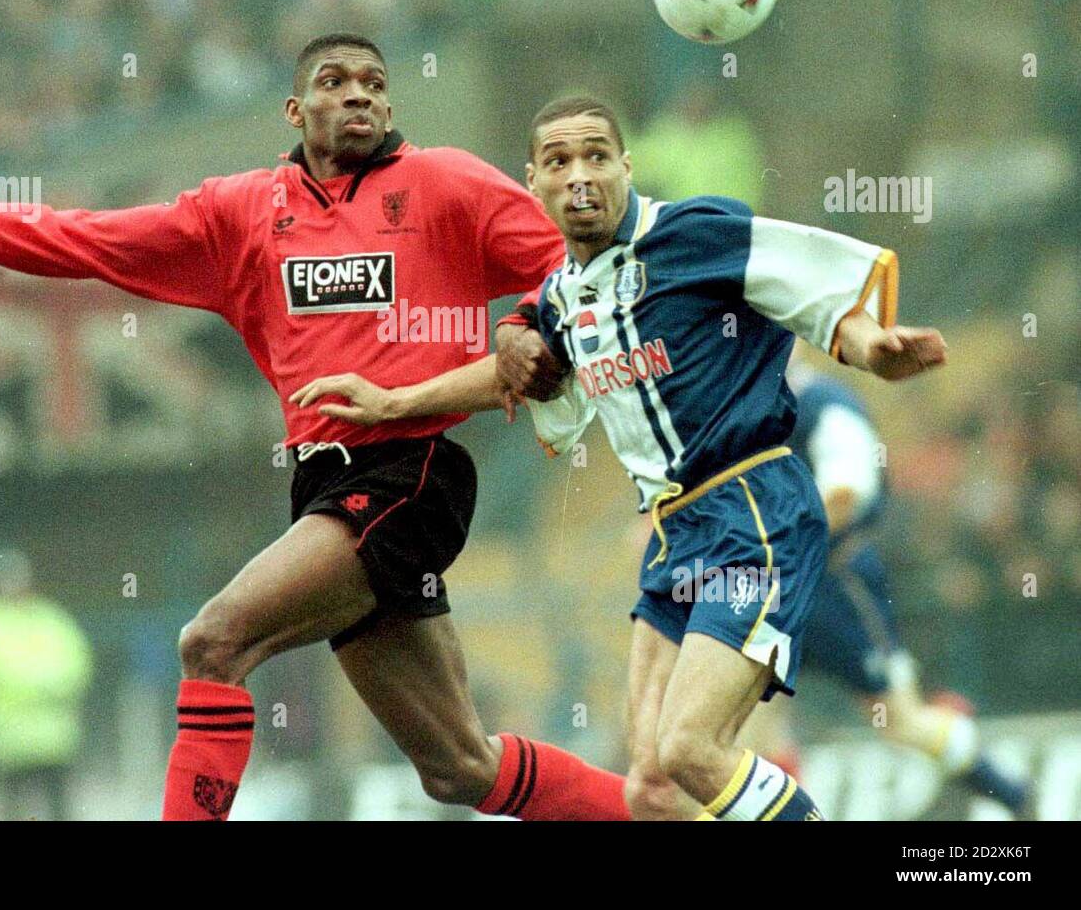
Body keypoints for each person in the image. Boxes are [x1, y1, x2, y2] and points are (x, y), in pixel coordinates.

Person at [0, 34, 630, 821]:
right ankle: (664, 816)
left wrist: (527, 321)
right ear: (294, 107)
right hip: (324, 481)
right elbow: (89, 240)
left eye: (373, 82)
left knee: (213, 642)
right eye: (333, 80)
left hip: (409, 472)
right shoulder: (239, 214)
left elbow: (583, 263)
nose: (357, 93)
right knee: (459, 767)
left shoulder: (446, 183)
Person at [291, 94, 948, 821]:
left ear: (627, 167)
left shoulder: (695, 232)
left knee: (691, 749)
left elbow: (808, 293)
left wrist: (870, 349)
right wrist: (391, 402)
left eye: (598, 156)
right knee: (650, 789)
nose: (581, 175)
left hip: (752, 511)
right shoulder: (562, 297)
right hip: (674, 532)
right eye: (560, 161)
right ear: (533, 183)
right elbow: (512, 375)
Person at [738, 351, 1032, 818]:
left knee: (899, 719)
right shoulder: (740, 410)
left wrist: (775, 545)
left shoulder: (825, 406)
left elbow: (847, 495)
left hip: (833, 587)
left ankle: (1009, 792)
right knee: (752, 722)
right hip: (766, 589)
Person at [0, 549, 93, 821]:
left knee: (59, 810)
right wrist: (45, 683)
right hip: (8, 743)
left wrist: (44, 681)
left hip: (54, 740)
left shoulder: (50, 618)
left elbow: (77, 660)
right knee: (11, 810)